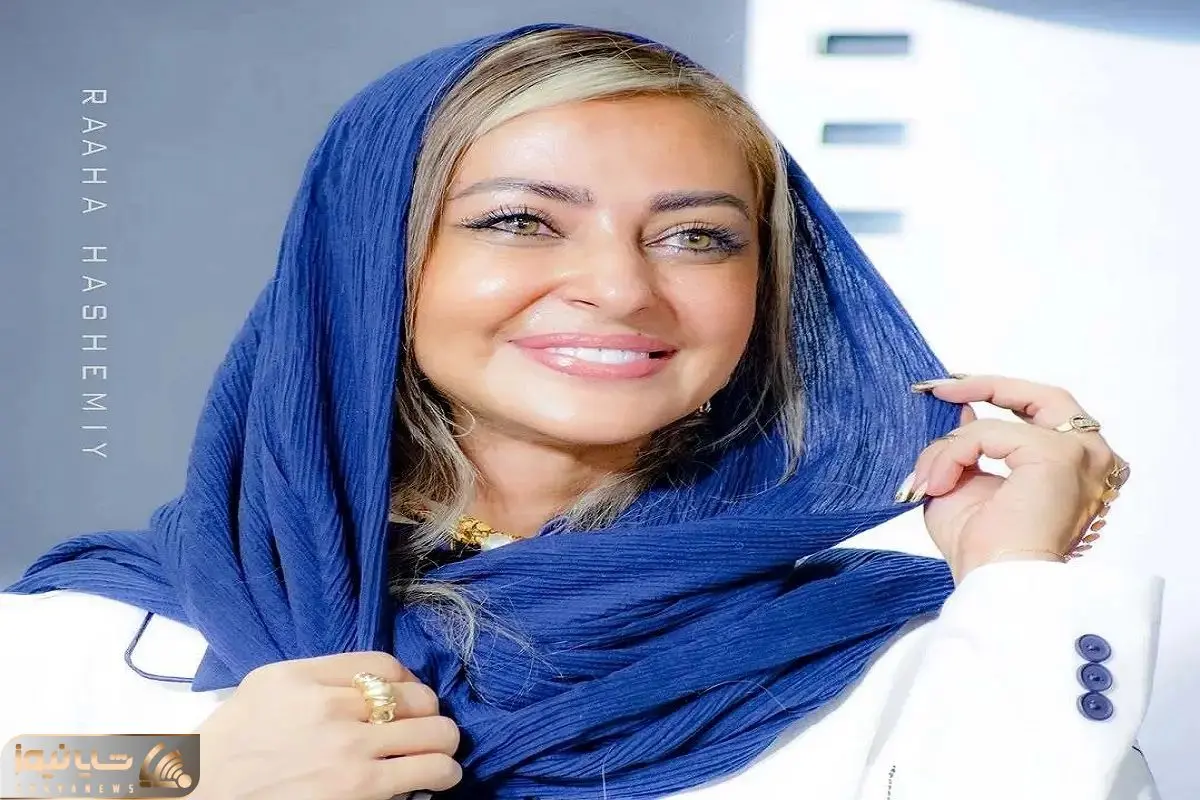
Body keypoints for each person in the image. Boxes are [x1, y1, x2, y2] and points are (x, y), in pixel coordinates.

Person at [0, 23, 1162, 800]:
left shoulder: (916, 656)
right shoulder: (94, 634)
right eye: (519, 220)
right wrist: (186, 777)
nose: (620, 286)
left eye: (697, 236)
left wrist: (1020, 582)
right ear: (366, 263)